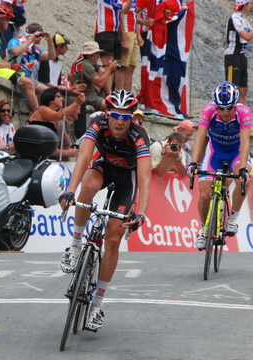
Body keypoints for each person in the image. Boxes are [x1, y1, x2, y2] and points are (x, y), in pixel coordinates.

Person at [58, 89, 150, 331]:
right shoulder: (97, 123)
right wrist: (69, 191)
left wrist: (142, 213)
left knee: (113, 239)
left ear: (132, 117)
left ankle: (97, 304)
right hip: (103, 167)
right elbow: (84, 157)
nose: (120, 121)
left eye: (126, 116)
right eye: (116, 115)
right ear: (108, 114)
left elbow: (145, 178)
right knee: (87, 186)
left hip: (126, 179)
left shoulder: (139, 136)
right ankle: (76, 244)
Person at [187, 82, 251, 250]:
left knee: (244, 179)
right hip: (215, 153)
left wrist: (243, 168)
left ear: (235, 105)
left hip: (236, 153)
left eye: (229, 108)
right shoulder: (208, 110)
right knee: (204, 195)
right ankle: (203, 229)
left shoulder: (243, 112)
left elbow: (245, 142)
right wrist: (193, 163)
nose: (224, 112)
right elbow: (200, 138)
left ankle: (232, 219)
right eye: (221, 108)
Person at [0, 5, 40, 111]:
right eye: (7, 20)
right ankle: (37, 114)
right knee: (28, 83)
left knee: (29, 82)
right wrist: (10, 65)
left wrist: (10, 66)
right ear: (1, 21)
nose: (8, 23)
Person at [224, 0, 253, 105]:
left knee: (243, 89)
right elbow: (247, 36)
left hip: (242, 55)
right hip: (232, 55)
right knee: (233, 88)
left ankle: (241, 114)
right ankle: (228, 112)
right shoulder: (235, 18)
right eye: (249, 4)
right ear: (244, 5)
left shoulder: (245, 20)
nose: (251, 6)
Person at [28, 87, 85, 161]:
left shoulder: (56, 119)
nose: (62, 99)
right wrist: (77, 103)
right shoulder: (42, 109)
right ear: (51, 100)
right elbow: (58, 115)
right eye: (58, 96)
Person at [70, 41, 118, 111]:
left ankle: (109, 95)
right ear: (90, 54)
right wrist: (109, 69)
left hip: (89, 91)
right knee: (110, 106)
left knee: (103, 71)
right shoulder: (85, 65)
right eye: (97, 54)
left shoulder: (88, 62)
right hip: (84, 94)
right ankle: (109, 98)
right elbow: (100, 83)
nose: (98, 56)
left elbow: (103, 71)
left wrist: (111, 68)